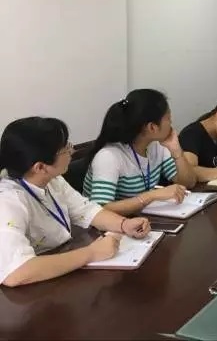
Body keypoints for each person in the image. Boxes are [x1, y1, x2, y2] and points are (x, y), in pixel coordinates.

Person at [0, 117, 151, 287]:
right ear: (40, 167)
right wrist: (92, 253)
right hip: (32, 287)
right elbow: (16, 273)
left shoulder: (52, 180)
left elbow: (85, 210)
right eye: (65, 148)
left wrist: (124, 224)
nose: (71, 151)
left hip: (60, 264)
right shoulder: (8, 201)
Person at [83, 89, 197, 216]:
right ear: (152, 127)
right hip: (107, 226)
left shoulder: (156, 145)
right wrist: (151, 196)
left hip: (138, 219)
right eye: (168, 118)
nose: (171, 123)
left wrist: (177, 151)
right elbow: (100, 209)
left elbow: (188, 183)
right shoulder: (109, 156)